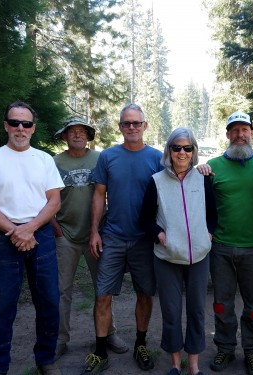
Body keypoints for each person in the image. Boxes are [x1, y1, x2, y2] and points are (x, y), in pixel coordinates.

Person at [0, 101, 64, 375]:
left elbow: (54, 201)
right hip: (6, 238)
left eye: (26, 124)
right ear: (5, 126)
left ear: (33, 129)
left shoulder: (44, 159)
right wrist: (16, 231)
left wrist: (31, 228)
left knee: (48, 302)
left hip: (41, 237)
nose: (20, 129)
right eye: (14, 123)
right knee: (0, 307)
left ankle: (46, 360)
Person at [83, 103, 163, 374]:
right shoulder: (107, 157)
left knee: (145, 294)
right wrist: (95, 231)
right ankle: (100, 350)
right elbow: (98, 195)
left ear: (145, 126)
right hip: (113, 237)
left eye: (136, 123)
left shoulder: (157, 158)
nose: (131, 127)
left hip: (144, 239)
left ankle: (141, 343)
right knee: (103, 295)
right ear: (120, 127)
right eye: (126, 123)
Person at [140, 128, 218, 375]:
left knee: (196, 311)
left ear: (194, 151)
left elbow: (214, 214)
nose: (182, 153)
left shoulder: (203, 178)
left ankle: (193, 365)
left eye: (187, 148)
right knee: (171, 312)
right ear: (169, 151)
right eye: (177, 148)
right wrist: (160, 235)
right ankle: (175, 363)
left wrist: (208, 235)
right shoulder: (157, 181)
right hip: (167, 258)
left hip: (199, 257)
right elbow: (145, 218)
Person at [51, 116, 128, 361]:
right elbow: (44, 198)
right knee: (62, 290)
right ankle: (60, 339)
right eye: (71, 131)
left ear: (88, 135)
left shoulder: (100, 159)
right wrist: (55, 228)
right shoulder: (53, 162)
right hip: (66, 235)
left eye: (82, 131)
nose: (77, 134)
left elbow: (111, 192)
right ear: (64, 136)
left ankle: (110, 333)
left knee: (103, 288)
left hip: (98, 236)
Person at [206, 111, 253, 375]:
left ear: (252, 133)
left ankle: (252, 351)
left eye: (245, 129)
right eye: (235, 130)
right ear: (228, 135)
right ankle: (225, 349)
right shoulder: (212, 167)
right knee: (222, 304)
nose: (240, 135)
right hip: (221, 248)